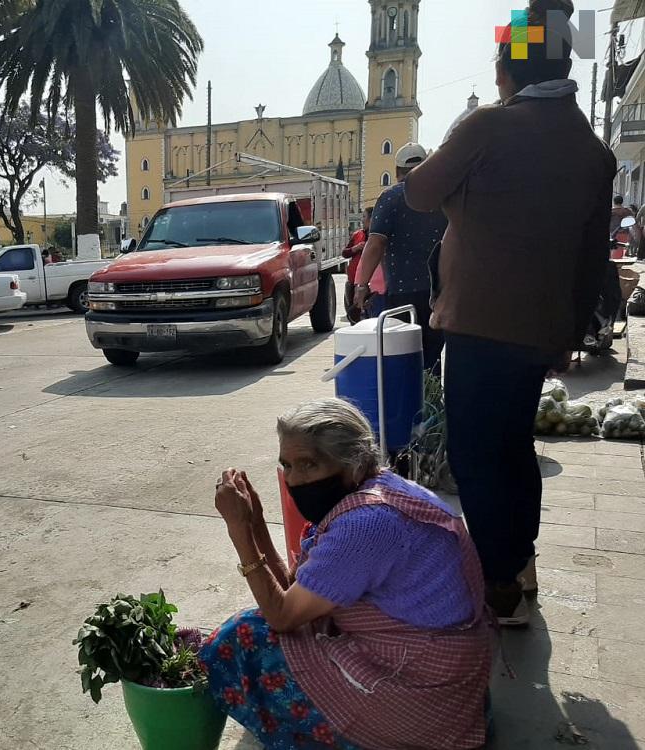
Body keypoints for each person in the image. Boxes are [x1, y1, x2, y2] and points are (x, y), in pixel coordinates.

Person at [402, 0, 615, 625]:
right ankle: (519, 564)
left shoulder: (488, 128)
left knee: (476, 455)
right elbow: (591, 256)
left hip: (477, 325)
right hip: (542, 330)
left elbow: (418, 191)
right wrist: (570, 335)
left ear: (507, 70)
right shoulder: (592, 149)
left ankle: (498, 584)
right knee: (514, 448)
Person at [201, 399, 494, 750]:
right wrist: (256, 524)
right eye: (287, 466)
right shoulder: (380, 489)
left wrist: (238, 530)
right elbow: (294, 592)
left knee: (241, 637)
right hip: (442, 666)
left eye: (308, 465)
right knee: (279, 627)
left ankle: (328, 736)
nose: (294, 480)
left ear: (353, 465)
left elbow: (281, 615)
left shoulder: (366, 525)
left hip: (423, 680)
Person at [353, 143, 448, 372]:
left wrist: (361, 285)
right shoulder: (443, 196)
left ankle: (410, 405)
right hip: (441, 292)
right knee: (433, 358)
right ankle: (431, 404)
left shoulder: (392, 197)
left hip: (403, 295)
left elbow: (375, 243)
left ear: (397, 172)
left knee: (405, 358)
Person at [341, 207, 372, 324]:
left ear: (371, 219)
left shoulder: (376, 237)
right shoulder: (357, 235)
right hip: (353, 280)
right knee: (353, 312)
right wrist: (355, 248)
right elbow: (345, 253)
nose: (362, 220)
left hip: (370, 283)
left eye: (364, 217)